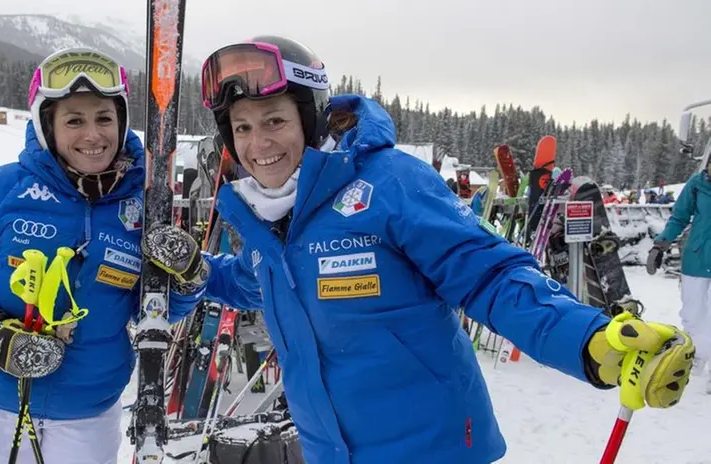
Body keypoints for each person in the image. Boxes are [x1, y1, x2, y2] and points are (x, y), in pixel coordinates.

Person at [143, 36, 696, 463]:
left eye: (274, 121)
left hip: (430, 446)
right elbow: (251, 280)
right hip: (330, 451)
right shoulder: (269, 218)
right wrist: (195, 271)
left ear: (309, 119)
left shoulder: (388, 184)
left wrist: (589, 338)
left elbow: (488, 276)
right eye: (242, 128)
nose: (258, 144)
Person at [0, 47, 152, 464]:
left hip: (88, 411)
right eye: (74, 120)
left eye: (104, 118)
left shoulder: (147, 204)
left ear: (122, 121)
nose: (93, 136)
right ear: (47, 126)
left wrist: (184, 281)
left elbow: (157, 306)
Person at [648, 166, 711, 376]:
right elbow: (679, 217)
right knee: (692, 314)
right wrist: (660, 245)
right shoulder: (697, 184)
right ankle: (694, 357)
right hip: (697, 259)